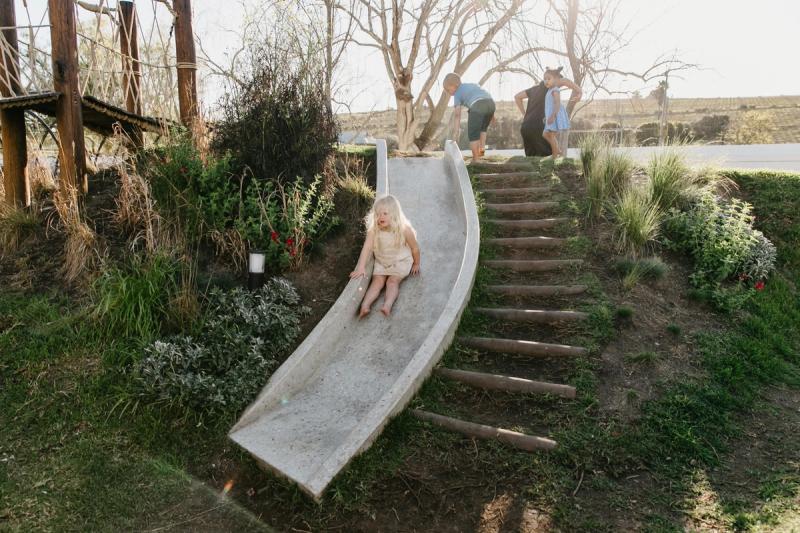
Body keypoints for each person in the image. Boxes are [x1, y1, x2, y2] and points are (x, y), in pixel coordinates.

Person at [350, 195, 421, 318]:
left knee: (392, 282)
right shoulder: (374, 230)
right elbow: (366, 248)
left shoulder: (404, 229)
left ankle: (387, 305)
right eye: (378, 214)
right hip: (382, 261)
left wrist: (416, 263)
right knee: (377, 282)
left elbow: (415, 248)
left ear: (394, 215)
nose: (380, 217)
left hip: (400, 261)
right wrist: (361, 267)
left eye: (385, 213)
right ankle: (365, 306)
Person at [514, 68, 582, 157]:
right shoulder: (551, 87)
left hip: (526, 128)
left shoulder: (533, 89)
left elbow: (517, 97)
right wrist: (580, 92)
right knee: (547, 157)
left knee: (532, 159)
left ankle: (556, 152)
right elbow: (566, 81)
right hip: (539, 126)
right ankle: (556, 154)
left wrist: (525, 115)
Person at [443, 73, 495, 162]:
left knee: (473, 134)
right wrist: (492, 115)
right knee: (483, 130)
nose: (448, 92)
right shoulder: (472, 85)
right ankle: (481, 153)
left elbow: (457, 115)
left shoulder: (457, 94)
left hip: (477, 105)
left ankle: (476, 159)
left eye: (448, 89)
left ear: (454, 85)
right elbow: (485, 95)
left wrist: (456, 131)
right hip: (490, 103)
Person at [542, 67, 572, 158]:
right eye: (545, 79)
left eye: (549, 79)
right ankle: (557, 150)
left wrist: (553, 116)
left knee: (551, 135)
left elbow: (557, 103)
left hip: (555, 116)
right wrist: (547, 116)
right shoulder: (549, 90)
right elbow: (549, 106)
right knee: (545, 134)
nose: (546, 81)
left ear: (555, 80)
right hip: (550, 116)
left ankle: (555, 155)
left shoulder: (555, 90)